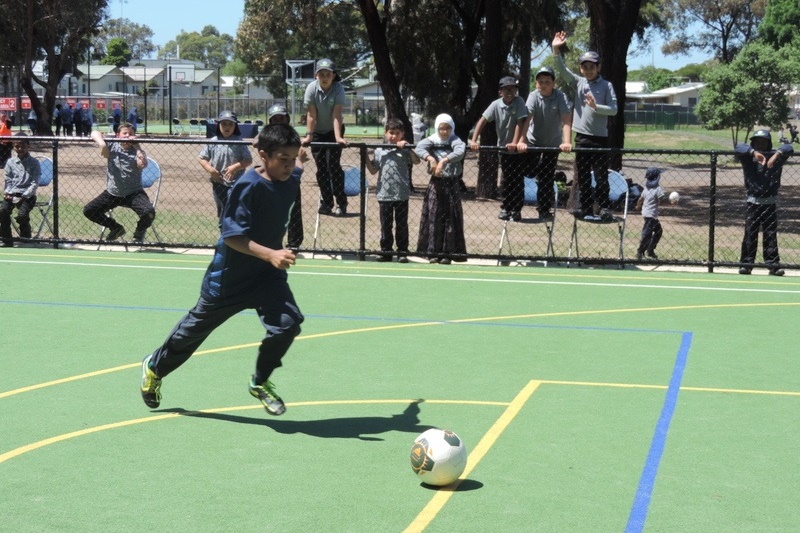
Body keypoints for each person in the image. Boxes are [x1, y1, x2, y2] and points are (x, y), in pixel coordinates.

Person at [140, 123, 308, 416]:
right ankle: (154, 366)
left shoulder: (291, 176)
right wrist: (271, 254)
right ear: (263, 155)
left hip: (266, 277)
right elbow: (232, 237)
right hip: (229, 279)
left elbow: (298, 164)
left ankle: (260, 382)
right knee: (190, 334)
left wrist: (300, 155)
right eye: (283, 158)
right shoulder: (247, 187)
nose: (289, 164)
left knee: (287, 324)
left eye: (292, 158)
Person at [551, 31, 618, 221]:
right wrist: (556, 49)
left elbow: (613, 110)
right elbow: (562, 70)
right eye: (585, 67)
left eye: (592, 66)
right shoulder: (578, 83)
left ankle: (604, 208)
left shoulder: (607, 85)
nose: (588, 70)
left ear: (599, 67)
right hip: (581, 137)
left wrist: (597, 107)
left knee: (601, 176)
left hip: (599, 138)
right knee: (584, 177)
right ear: (581, 69)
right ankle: (586, 207)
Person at [469, 76, 528, 221]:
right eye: (507, 89)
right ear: (500, 92)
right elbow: (482, 120)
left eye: (513, 89)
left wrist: (514, 143)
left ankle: (516, 210)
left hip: (517, 150)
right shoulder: (495, 105)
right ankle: (506, 208)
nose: (510, 92)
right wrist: (474, 140)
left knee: (518, 180)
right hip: (504, 149)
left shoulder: (519, 102)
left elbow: (519, 123)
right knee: (507, 180)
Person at [735, 129, 793, 276]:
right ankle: (747, 264)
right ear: (753, 143)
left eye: (763, 142)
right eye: (757, 141)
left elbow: (789, 147)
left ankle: (773, 265)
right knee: (750, 234)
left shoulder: (776, 156)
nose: (760, 144)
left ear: (768, 143)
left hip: (770, 203)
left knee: (770, 235)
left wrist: (777, 155)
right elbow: (738, 147)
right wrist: (753, 153)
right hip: (752, 202)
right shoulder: (748, 156)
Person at [518, 66, 573, 220]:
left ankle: (544, 210)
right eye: (541, 82)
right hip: (534, 141)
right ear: (536, 84)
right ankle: (515, 207)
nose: (544, 84)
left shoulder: (560, 96)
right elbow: (527, 119)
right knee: (527, 172)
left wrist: (567, 142)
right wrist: (522, 140)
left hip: (552, 143)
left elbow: (566, 119)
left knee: (547, 178)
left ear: (553, 83)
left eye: (547, 82)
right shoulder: (533, 96)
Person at [83, 123, 154, 242]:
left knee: (149, 213)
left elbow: (142, 165)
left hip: (134, 193)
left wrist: (137, 147)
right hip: (113, 193)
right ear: (117, 135)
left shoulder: (137, 150)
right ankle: (115, 228)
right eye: (124, 133)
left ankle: (138, 234)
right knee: (89, 211)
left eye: (130, 134)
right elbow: (94, 133)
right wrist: (102, 145)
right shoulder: (112, 145)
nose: (127, 136)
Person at [415, 113, 467, 264]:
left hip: (452, 183)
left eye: (447, 128)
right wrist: (430, 158)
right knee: (434, 217)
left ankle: (448, 253)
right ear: (437, 128)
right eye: (441, 128)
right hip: (435, 183)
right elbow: (419, 147)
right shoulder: (432, 140)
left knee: (450, 218)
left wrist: (444, 161)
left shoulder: (455, 140)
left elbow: (460, 151)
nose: (444, 131)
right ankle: (432, 252)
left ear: (452, 128)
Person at [366, 117, 420, 262]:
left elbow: (417, 161)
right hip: (384, 194)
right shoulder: (379, 151)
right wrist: (364, 155)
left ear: (402, 134)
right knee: (386, 225)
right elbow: (372, 170)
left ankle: (402, 252)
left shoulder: (404, 149)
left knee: (402, 225)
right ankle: (386, 251)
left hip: (401, 194)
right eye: (391, 133)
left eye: (397, 133)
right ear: (385, 133)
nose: (393, 136)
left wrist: (408, 148)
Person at [301, 58, 348, 216]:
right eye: (322, 74)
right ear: (316, 75)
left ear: (333, 75)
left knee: (333, 166)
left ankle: (341, 203)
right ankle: (327, 203)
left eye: (328, 74)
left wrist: (338, 138)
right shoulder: (311, 89)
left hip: (334, 130)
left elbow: (337, 114)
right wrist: (309, 136)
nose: (325, 77)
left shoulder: (338, 88)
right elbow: (311, 115)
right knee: (322, 169)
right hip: (318, 132)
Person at [198, 110, 253, 219]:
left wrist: (235, 167)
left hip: (236, 183)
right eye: (224, 124)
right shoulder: (214, 141)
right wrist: (211, 170)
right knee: (221, 209)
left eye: (230, 124)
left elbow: (248, 160)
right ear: (218, 125)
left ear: (235, 126)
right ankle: (223, 230)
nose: (227, 127)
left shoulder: (239, 141)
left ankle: (231, 230)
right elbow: (201, 158)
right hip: (218, 182)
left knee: (233, 209)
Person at [267, 103, 304, 250]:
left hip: (290, 178)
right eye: (275, 119)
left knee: (294, 211)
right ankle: (272, 242)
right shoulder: (268, 136)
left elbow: (300, 155)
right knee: (272, 212)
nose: (279, 122)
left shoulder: (293, 136)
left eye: (281, 118)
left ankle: (294, 244)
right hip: (272, 179)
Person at [0, 133, 41, 247]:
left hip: (27, 195)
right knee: (3, 211)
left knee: (22, 215)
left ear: (28, 146)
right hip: (13, 193)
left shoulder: (34, 163)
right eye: (17, 146)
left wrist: (24, 196)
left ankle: (25, 236)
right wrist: (7, 192)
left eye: (23, 146)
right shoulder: (10, 162)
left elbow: (34, 183)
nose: (20, 149)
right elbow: (8, 180)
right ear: (13, 146)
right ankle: (6, 238)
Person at [635, 167, 666, 260]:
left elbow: (641, 199)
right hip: (651, 215)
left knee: (658, 231)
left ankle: (650, 250)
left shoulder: (646, 188)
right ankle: (640, 251)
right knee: (647, 234)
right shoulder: (658, 189)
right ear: (658, 177)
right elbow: (662, 200)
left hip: (648, 214)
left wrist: (638, 206)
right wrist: (671, 202)